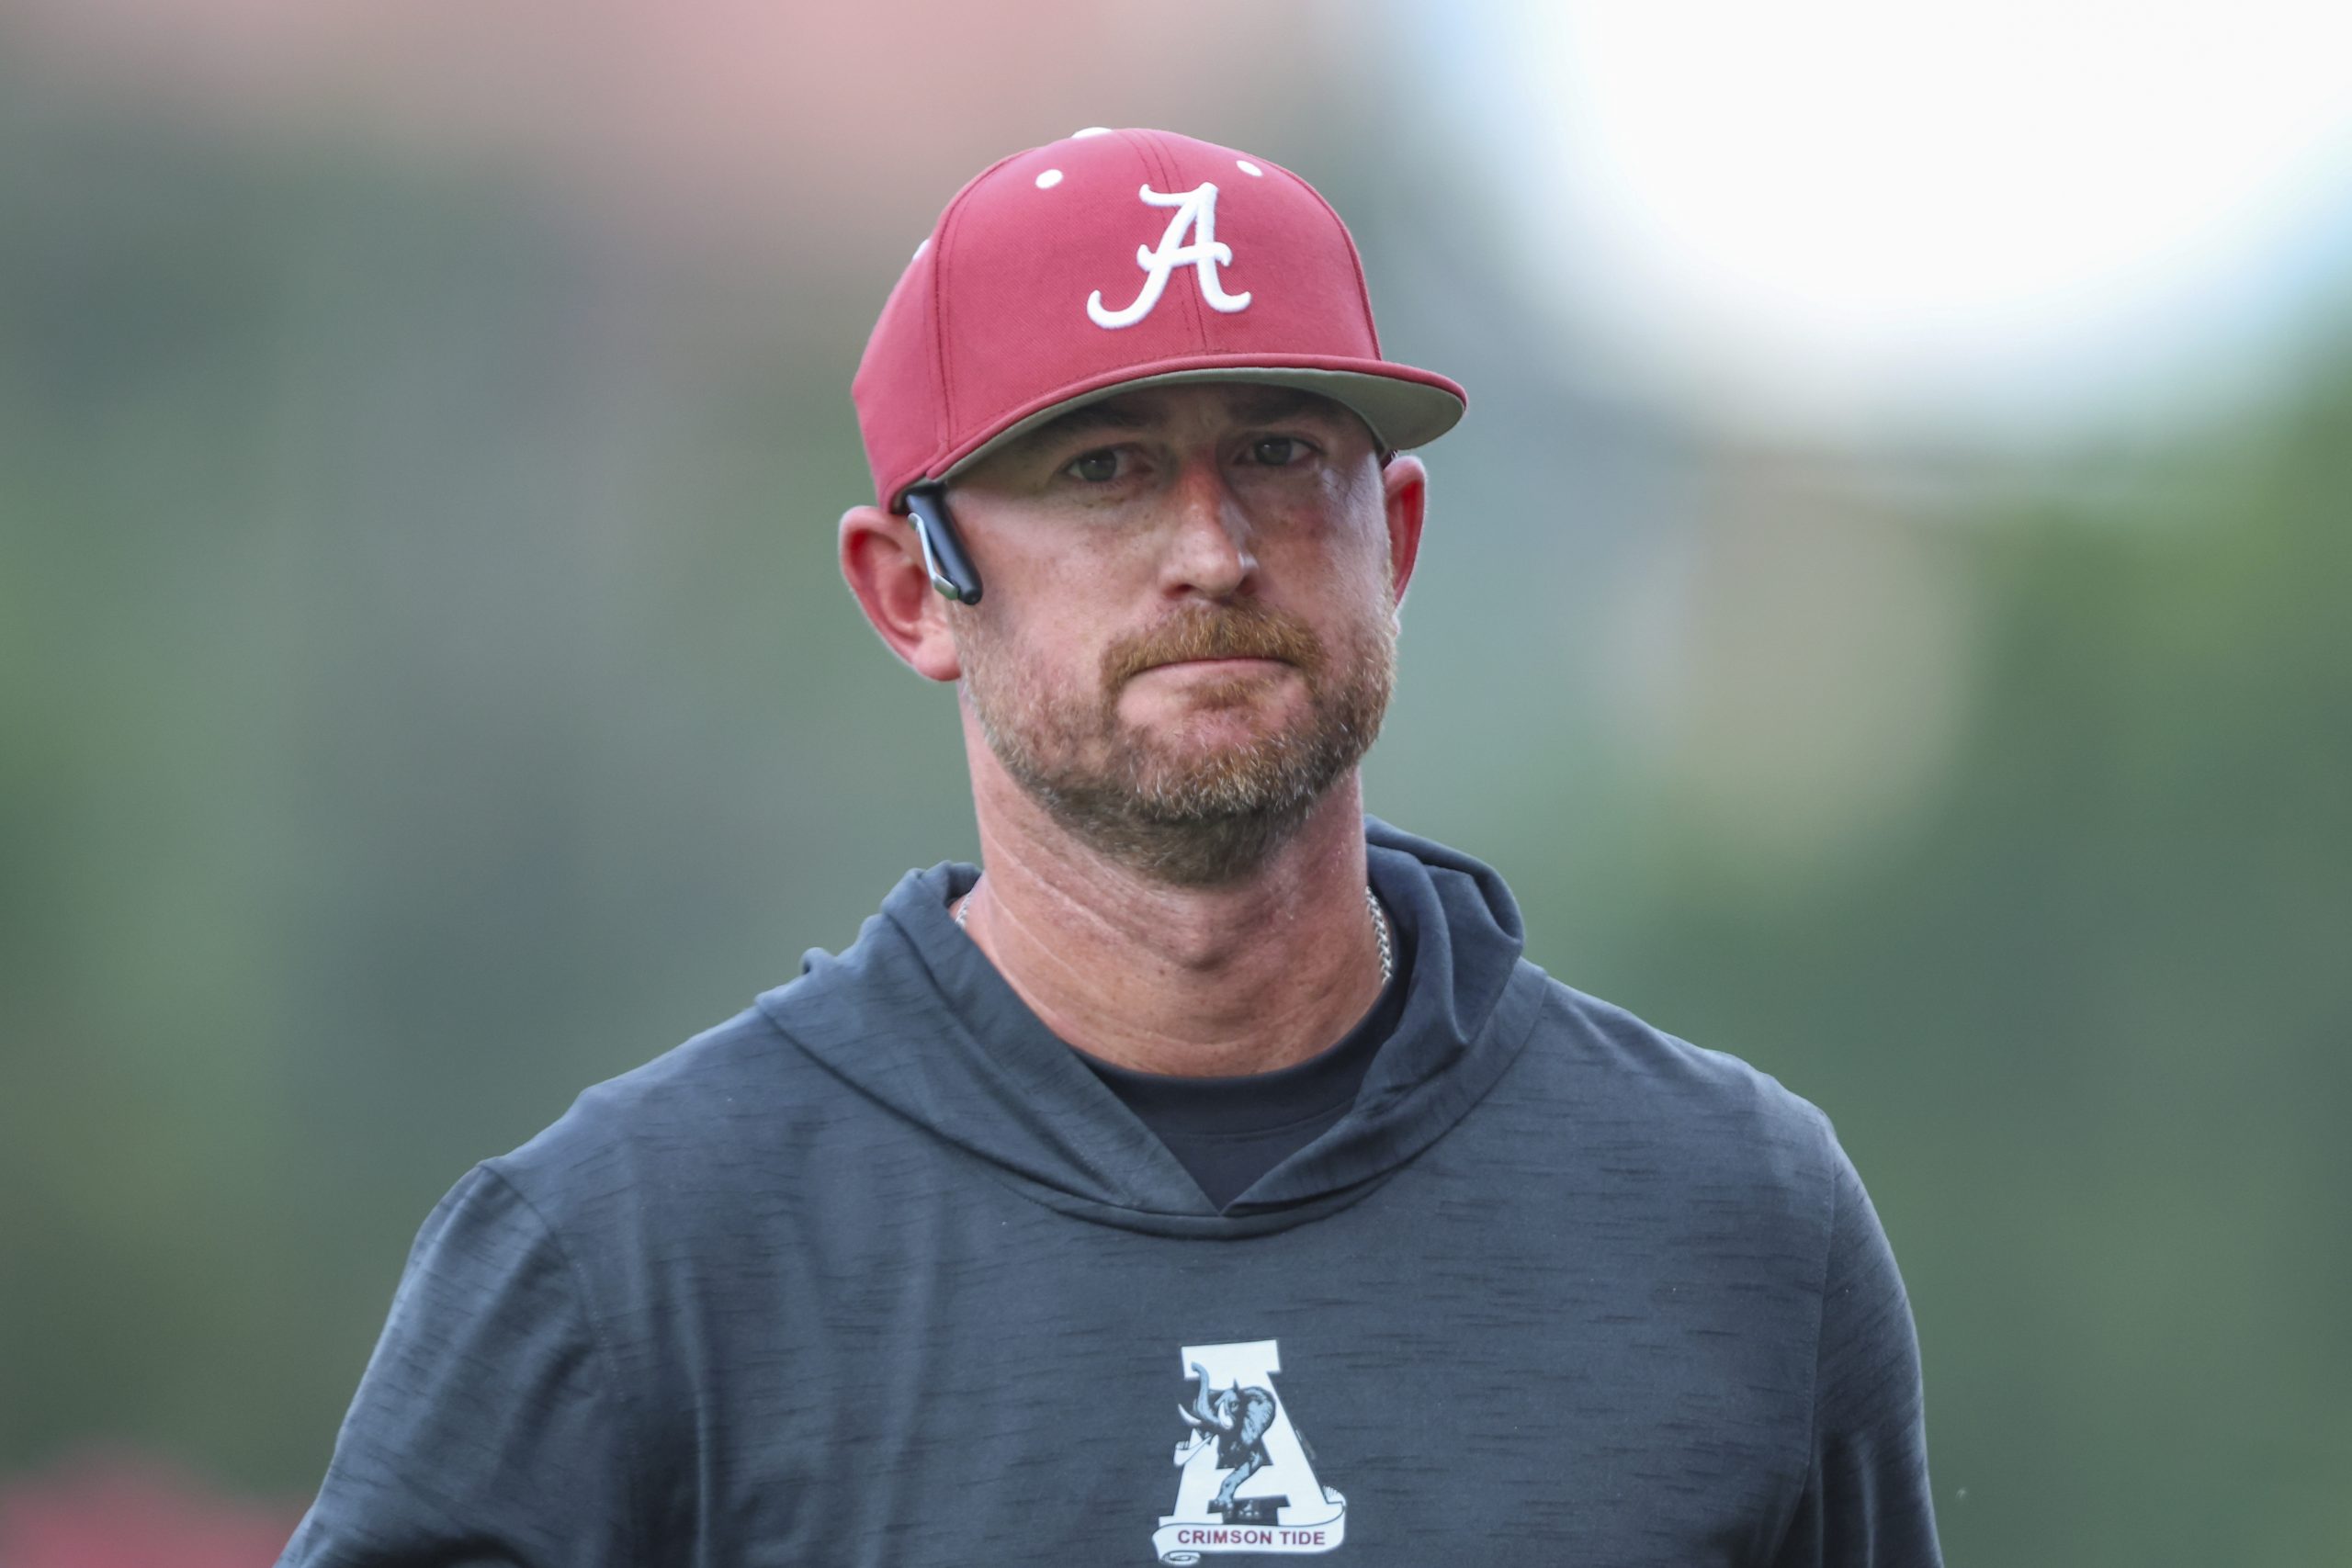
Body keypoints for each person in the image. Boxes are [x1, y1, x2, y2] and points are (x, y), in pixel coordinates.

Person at [279, 127, 1942, 1567]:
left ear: (1395, 540)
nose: (1211, 550)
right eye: (1103, 469)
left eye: (1279, 455)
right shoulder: (626, 1258)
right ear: (911, 591)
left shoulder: (1738, 1222)